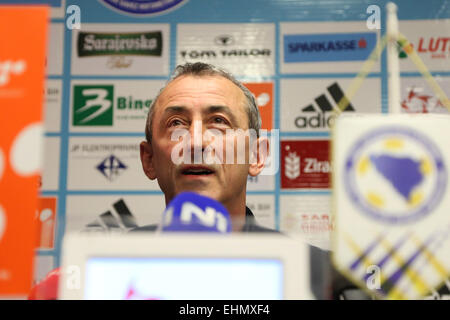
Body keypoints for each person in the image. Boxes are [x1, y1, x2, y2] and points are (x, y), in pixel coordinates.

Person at [134, 62, 278, 233]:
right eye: (176, 123)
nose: (196, 143)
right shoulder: (110, 258)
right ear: (149, 159)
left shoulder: (304, 259)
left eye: (218, 121)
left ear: (256, 155)